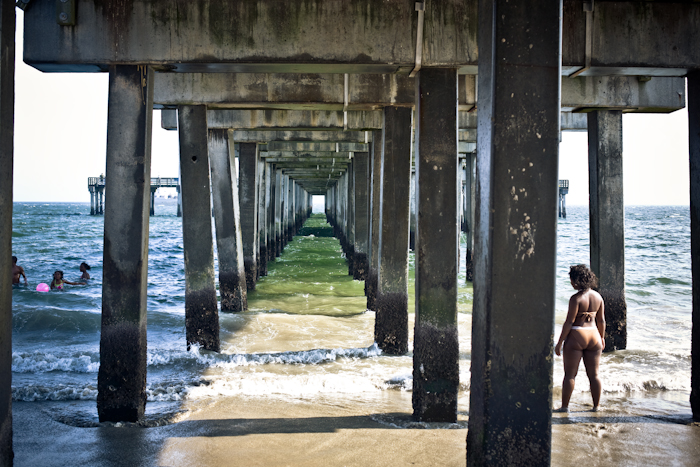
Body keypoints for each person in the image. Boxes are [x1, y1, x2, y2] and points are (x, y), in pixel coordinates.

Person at [555, 264, 606, 412]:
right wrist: (602, 338)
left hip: (577, 334)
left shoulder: (575, 299)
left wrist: (559, 343)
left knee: (570, 375)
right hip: (594, 335)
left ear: (577, 280)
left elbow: (569, 322)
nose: (571, 283)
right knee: (594, 375)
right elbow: (601, 321)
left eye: (572, 280)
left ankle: (564, 407)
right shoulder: (598, 297)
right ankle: (596, 407)